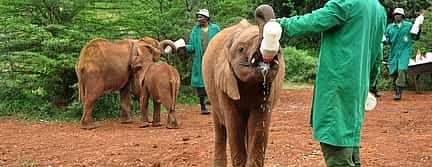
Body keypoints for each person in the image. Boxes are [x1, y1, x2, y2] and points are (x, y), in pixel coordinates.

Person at [276, 0, 386, 166]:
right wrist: (368, 84)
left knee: (336, 141)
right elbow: (378, 54)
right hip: (357, 86)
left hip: (337, 85)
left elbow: (314, 21)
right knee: (348, 137)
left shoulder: (347, 3)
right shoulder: (378, 9)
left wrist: (279, 25)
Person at [184, 9, 220, 114]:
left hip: (213, 59)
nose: (199, 19)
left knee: (215, 82)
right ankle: (203, 106)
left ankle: (216, 106)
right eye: (198, 17)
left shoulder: (215, 29)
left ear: (207, 18)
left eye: (201, 17)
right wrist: (183, 47)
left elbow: (220, 42)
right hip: (200, 60)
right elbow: (192, 47)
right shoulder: (195, 30)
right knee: (201, 83)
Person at [383, 8, 421, 100]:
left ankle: (399, 92)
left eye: (399, 14)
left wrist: (419, 28)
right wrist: (383, 40)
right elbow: (387, 40)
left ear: (402, 16)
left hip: (405, 51)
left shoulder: (408, 25)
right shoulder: (390, 27)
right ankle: (396, 91)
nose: (397, 16)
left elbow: (415, 37)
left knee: (401, 69)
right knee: (393, 71)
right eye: (395, 14)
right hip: (394, 52)